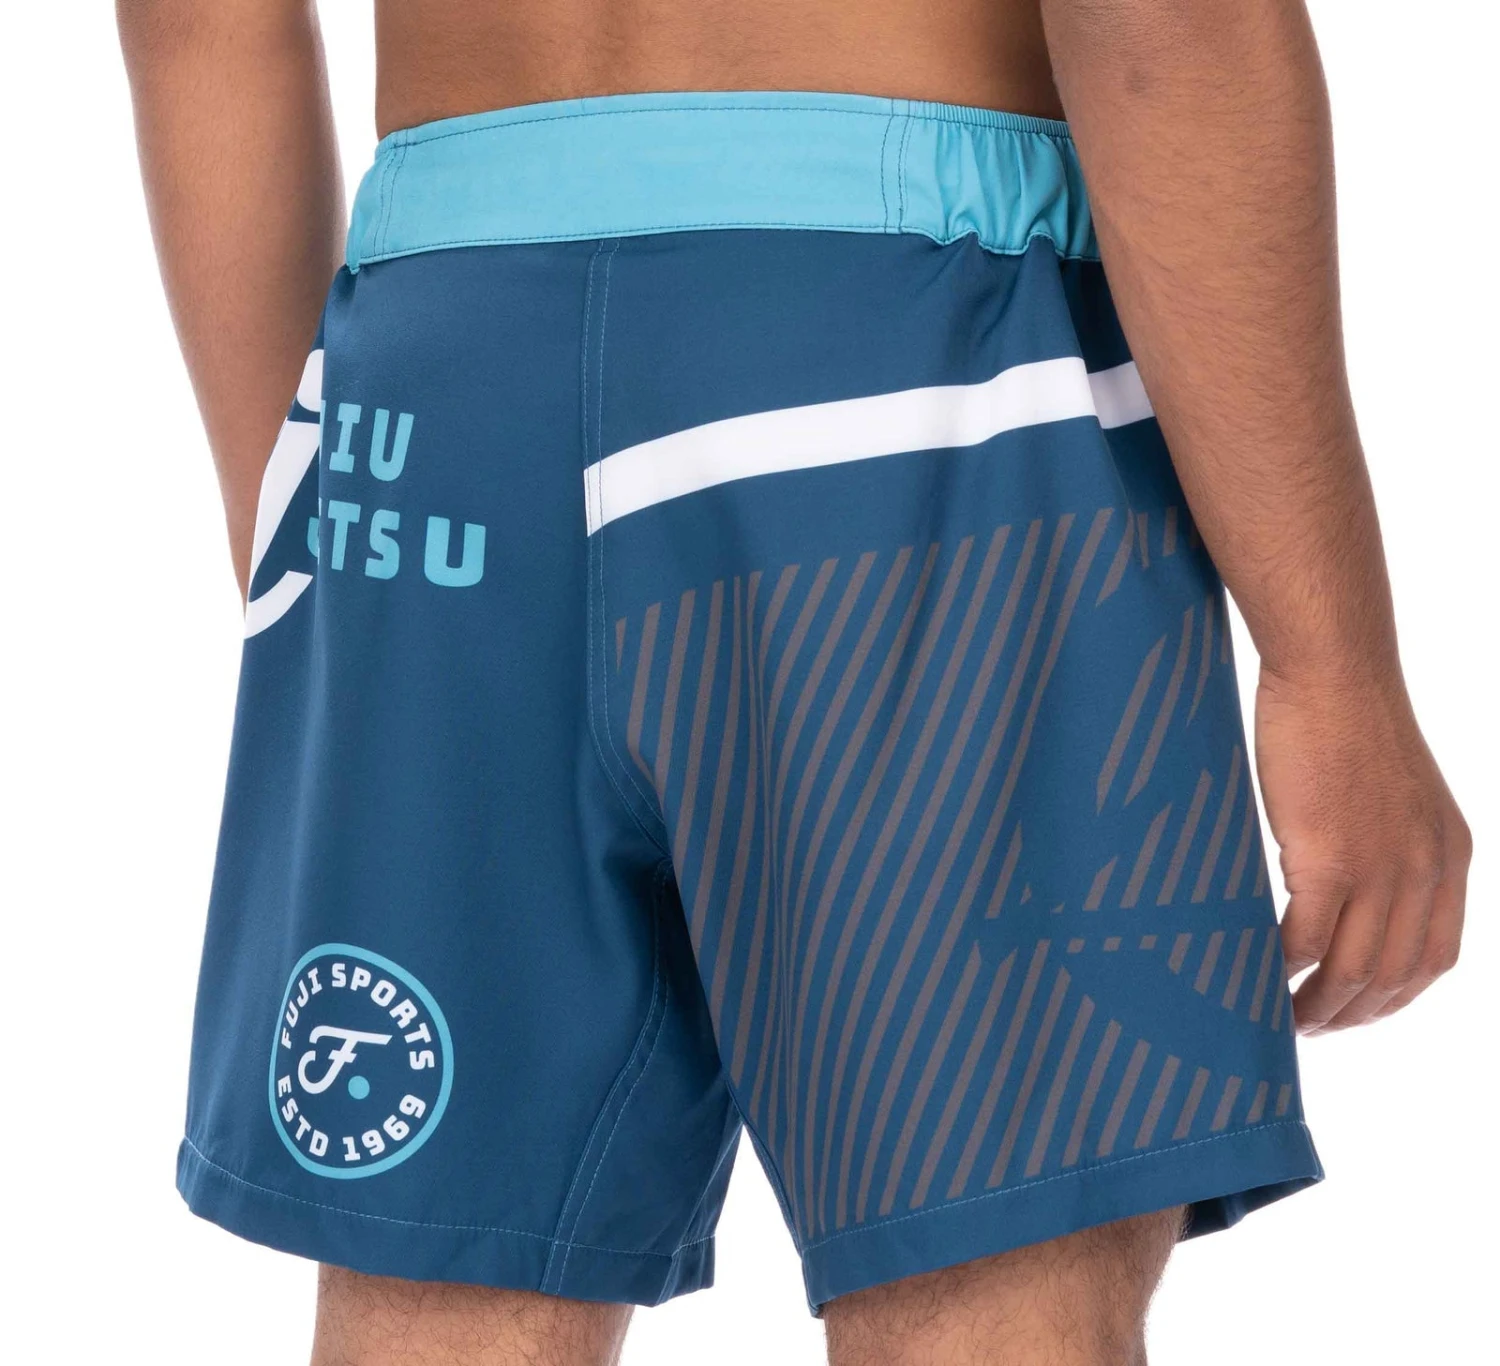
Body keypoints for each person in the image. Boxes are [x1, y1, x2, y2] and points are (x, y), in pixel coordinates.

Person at [117, 1, 1470, 1362]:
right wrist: (1333, 665)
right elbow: (1162, 21)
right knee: (986, 1294)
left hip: (442, 373)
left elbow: (194, 21)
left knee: (442, 1301)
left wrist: (310, 537)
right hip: (897, 359)